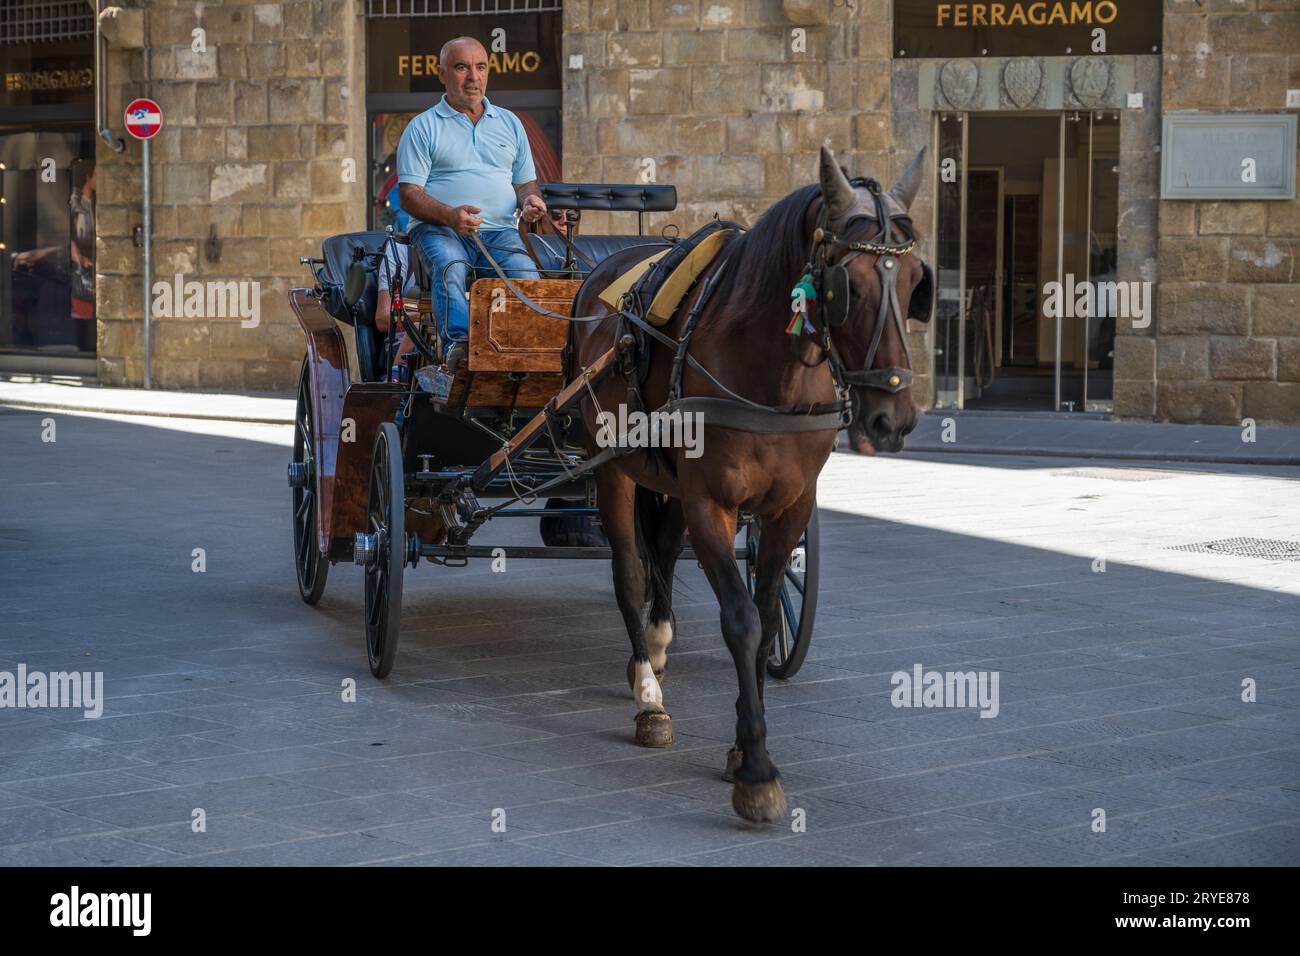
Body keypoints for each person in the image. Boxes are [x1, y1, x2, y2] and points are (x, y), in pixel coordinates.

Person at [396, 36, 547, 343]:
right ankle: (458, 352)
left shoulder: (510, 123)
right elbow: (409, 195)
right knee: (451, 265)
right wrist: (450, 216)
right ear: (441, 74)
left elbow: (524, 181)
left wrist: (530, 199)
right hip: (439, 230)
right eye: (462, 67)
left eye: (480, 67)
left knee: (526, 275)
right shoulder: (423, 127)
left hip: (499, 232)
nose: (473, 77)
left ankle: (524, 351)